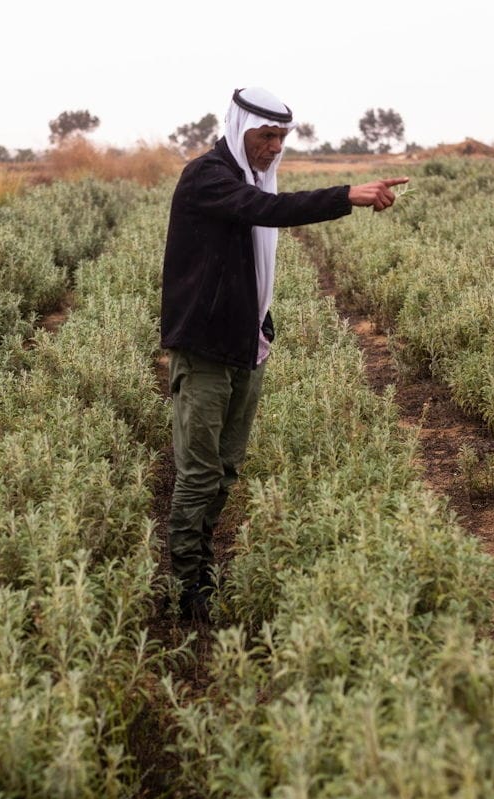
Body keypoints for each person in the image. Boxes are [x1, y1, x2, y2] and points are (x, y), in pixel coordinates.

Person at [160, 86, 408, 621]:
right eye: (265, 135)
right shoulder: (208, 176)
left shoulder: (250, 176)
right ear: (239, 128)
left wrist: (262, 326)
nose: (274, 147)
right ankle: (186, 586)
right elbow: (266, 211)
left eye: (281, 137)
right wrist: (348, 195)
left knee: (225, 469)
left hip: (245, 344)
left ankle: (200, 566)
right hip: (204, 348)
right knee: (199, 474)